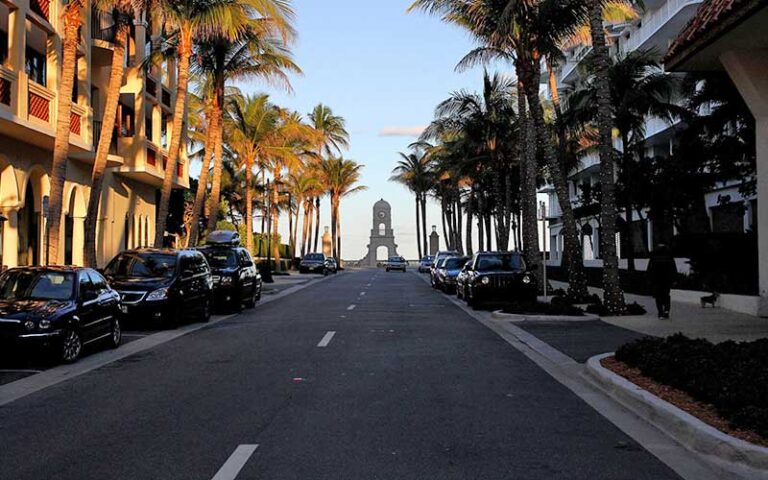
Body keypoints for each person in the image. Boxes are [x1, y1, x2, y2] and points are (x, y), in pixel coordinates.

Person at [647, 244, 677, 319]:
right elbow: (673, 268)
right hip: (666, 279)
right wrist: (674, 279)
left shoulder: (653, 257)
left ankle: (660, 313)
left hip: (656, 280)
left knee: (658, 296)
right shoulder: (669, 256)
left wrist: (650, 279)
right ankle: (666, 310)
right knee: (666, 295)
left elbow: (650, 269)